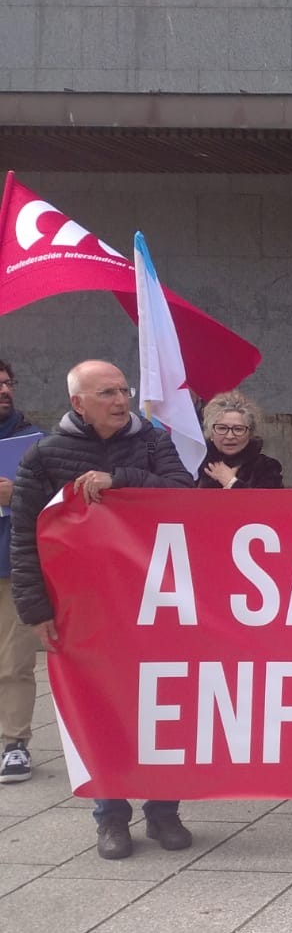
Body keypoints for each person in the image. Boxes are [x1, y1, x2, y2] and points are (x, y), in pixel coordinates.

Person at [8, 360, 196, 858]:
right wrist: (35, 609)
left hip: (152, 599)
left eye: (123, 390)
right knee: (100, 708)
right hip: (85, 606)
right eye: (107, 393)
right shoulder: (44, 456)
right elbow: (25, 536)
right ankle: (111, 817)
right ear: (78, 403)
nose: (120, 400)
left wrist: (122, 479)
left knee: (162, 704)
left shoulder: (153, 442)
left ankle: (164, 811)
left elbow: (184, 493)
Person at [0, 359, 43, 784]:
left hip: (11, 564)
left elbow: (59, 503)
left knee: (14, 661)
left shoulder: (36, 443)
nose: (4, 390)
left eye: (8, 383)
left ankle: (15, 743)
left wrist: (18, 495)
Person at [196, 391, 283, 489]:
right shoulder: (195, 465)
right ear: (211, 433)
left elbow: (271, 499)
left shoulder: (267, 468)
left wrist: (231, 482)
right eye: (222, 428)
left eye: (238, 429)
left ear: (250, 433)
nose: (229, 436)